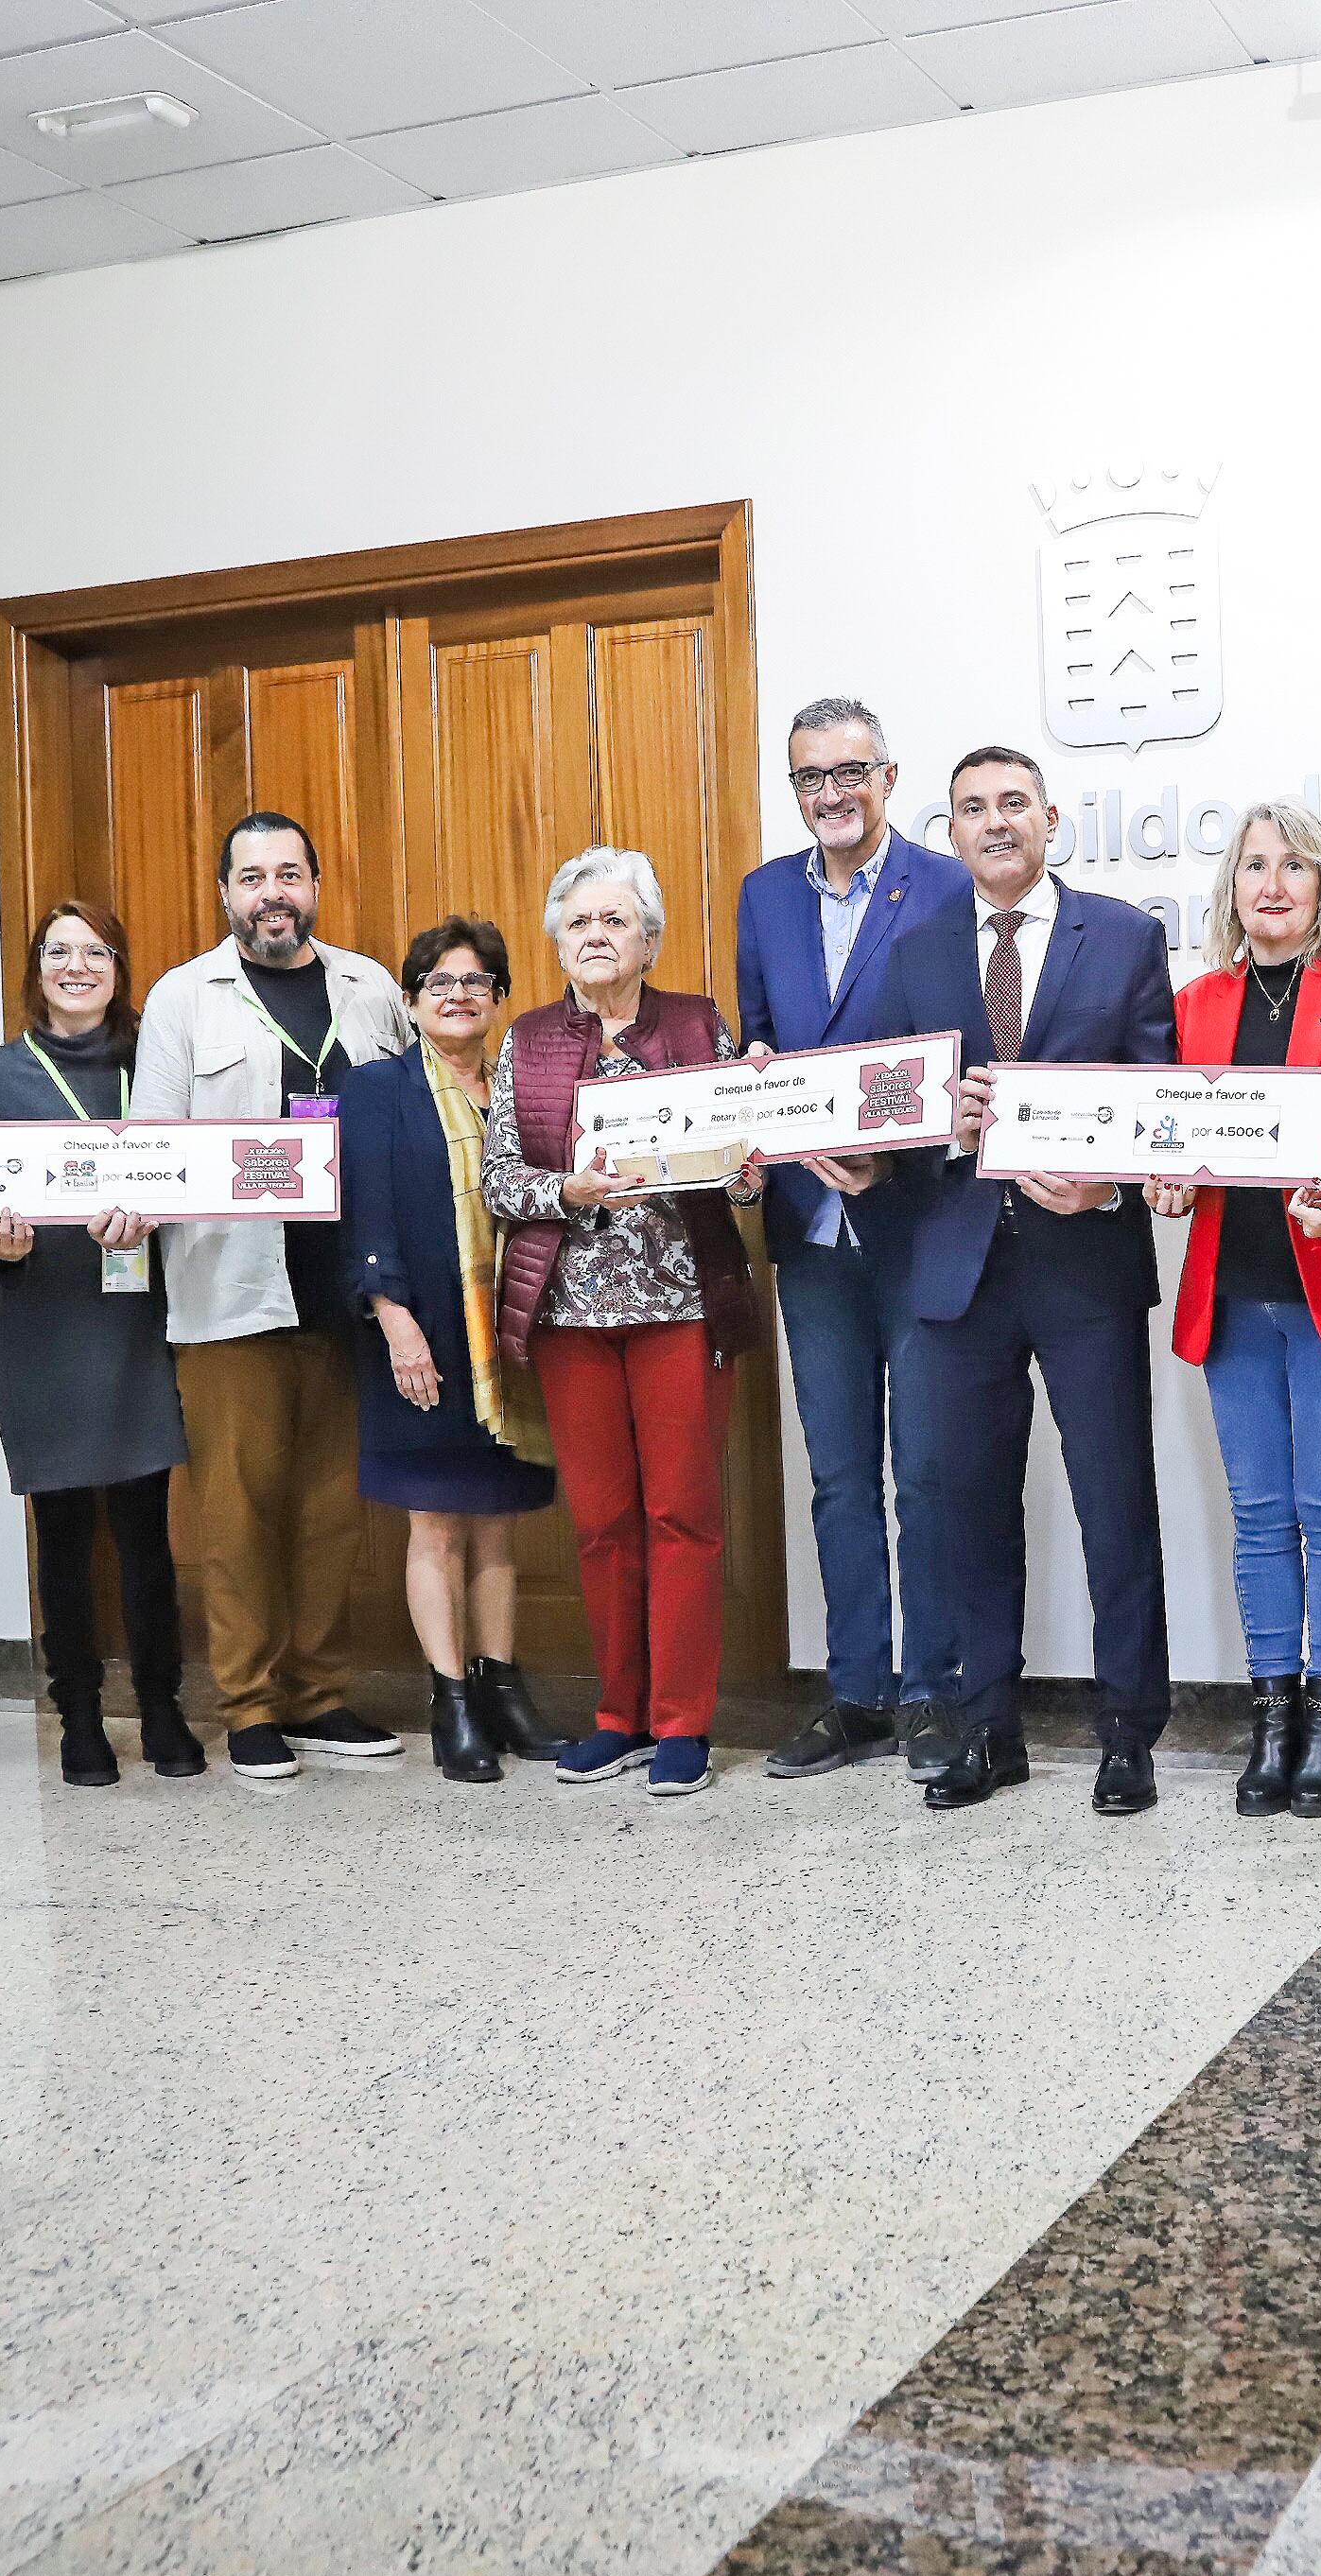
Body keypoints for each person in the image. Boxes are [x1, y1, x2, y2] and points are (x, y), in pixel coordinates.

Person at [822, 746, 1178, 1814]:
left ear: (1050, 818)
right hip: (951, 1265)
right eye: (971, 808)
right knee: (963, 1507)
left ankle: (1128, 1735)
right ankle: (988, 1727)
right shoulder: (915, 947)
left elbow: (1158, 1098)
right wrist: (903, 1137)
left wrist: (1106, 1180)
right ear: (951, 832)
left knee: (1114, 1502)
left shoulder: (1122, 935)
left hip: (1083, 1259)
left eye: (1011, 803)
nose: (993, 822)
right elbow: (889, 1100)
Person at [1146, 803, 1321, 1819]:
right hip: (1232, 1293)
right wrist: (1163, 1181)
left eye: (1292, 866)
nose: (1270, 883)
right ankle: (1271, 1718)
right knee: (1258, 1514)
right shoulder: (1194, 1000)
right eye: (1251, 865)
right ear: (1228, 889)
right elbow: (1170, 1137)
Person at [132, 811, 414, 1784]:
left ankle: (318, 1694)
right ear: (225, 895)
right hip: (231, 1292)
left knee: (332, 1508)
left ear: (315, 885)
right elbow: (152, 1141)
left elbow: (409, 1118)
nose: (272, 893)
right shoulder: (184, 998)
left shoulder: (369, 988)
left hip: (348, 1292)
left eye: (288, 873)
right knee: (239, 1506)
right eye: (251, 877)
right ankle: (249, 1704)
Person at [484, 849, 766, 1798]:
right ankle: (619, 1715)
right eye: (579, 922)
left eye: (615, 920)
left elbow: (739, 1158)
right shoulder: (525, 1040)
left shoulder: (695, 1023)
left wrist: (746, 1166)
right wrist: (562, 1188)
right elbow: (498, 1183)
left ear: (648, 937)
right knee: (602, 1522)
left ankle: (683, 1722)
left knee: (681, 1513)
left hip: (682, 1305)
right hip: (570, 1315)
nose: (596, 936)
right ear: (557, 941)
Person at [734, 696, 970, 1781]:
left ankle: (931, 1689)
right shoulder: (762, 897)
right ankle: (857, 1692)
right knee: (836, 1476)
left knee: (923, 1471)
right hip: (808, 1232)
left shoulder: (947, 884)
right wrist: (750, 1083)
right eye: (809, 777)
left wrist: (894, 1160)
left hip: (916, 1222)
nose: (829, 793)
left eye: (848, 772)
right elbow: (762, 1038)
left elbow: (966, 1056)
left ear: (886, 776)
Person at [0, 900, 200, 1786]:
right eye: (56, 952)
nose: (75, 966)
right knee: (61, 1533)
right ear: (36, 969)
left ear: (119, 964)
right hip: (44, 1318)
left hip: (139, 1317)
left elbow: (194, 1167)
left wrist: (157, 1208)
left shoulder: (156, 1061)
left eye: (94, 951)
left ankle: (165, 1706)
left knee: (146, 1531)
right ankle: (78, 1717)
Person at [342, 917, 562, 1784]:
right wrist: (394, 1322)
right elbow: (367, 1215)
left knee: (499, 1528)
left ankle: (504, 1691)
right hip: (421, 1337)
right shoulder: (376, 1090)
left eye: (477, 982)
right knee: (435, 1524)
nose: (459, 994)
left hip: (511, 1340)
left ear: (499, 999)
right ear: (410, 1000)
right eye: (439, 982)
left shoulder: (522, 1089)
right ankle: (452, 1702)